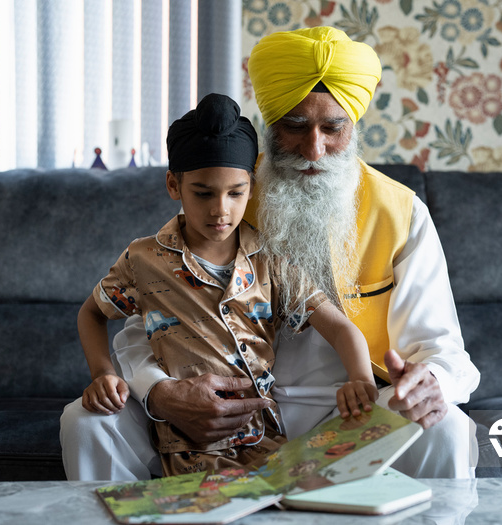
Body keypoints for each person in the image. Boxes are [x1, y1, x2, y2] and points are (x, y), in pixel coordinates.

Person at [61, 26, 480, 481]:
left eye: (333, 128)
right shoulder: (227, 192)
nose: (314, 149)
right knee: (85, 424)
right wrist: (161, 393)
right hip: (218, 408)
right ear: (269, 120)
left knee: (447, 428)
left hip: (350, 413)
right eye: (295, 126)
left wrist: (431, 383)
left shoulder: (401, 213)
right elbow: (152, 310)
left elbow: (443, 348)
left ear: (354, 122)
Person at [76, 93, 378, 476]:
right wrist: (103, 373)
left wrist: (360, 379)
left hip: (265, 443)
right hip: (183, 445)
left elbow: (339, 327)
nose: (221, 209)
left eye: (235, 193)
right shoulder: (142, 260)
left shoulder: (272, 262)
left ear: (252, 187)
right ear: (174, 185)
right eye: (203, 193)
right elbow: (91, 313)